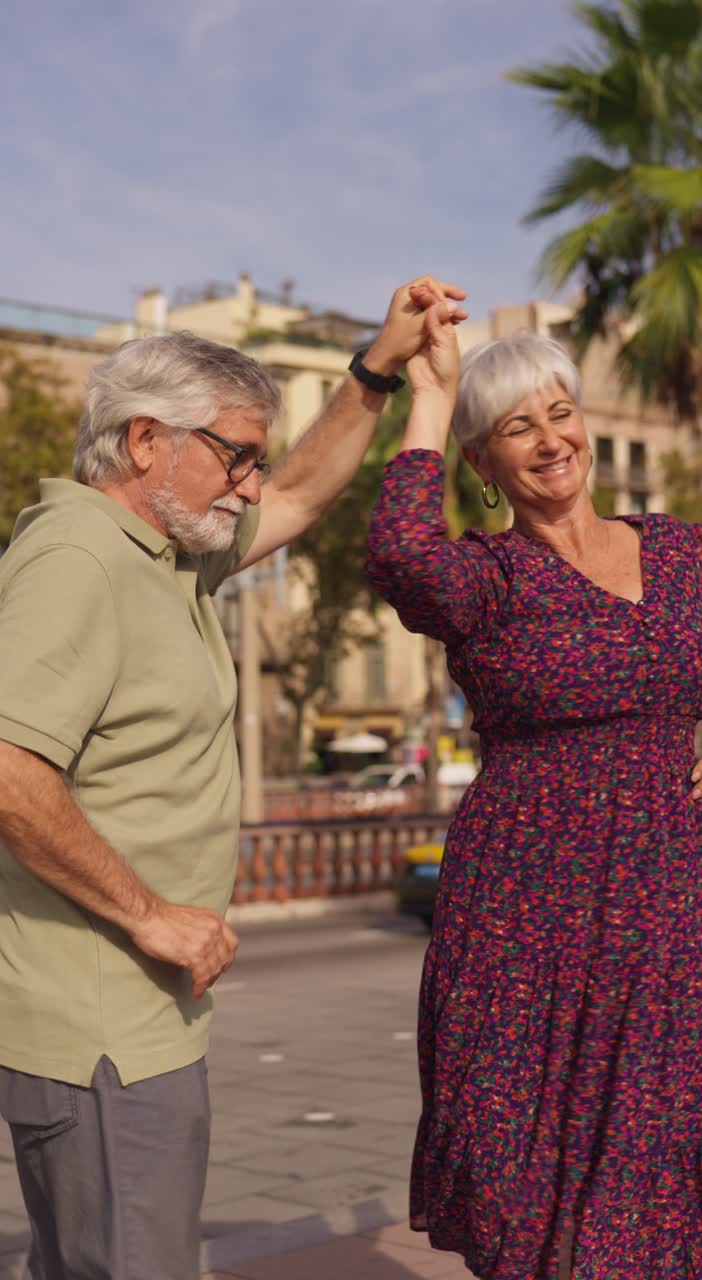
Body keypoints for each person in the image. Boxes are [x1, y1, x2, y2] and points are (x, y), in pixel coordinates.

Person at [0, 274, 467, 1280]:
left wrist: (375, 369)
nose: (252, 483)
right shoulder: (78, 557)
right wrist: (152, 916)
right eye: (235, 455)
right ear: (145, 441)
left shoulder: (167, 552)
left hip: (137, 1020)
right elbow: (6, 766)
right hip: (100, 1027)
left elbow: (301, 493)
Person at [366, 304, 702, 1279]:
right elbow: (400, 554)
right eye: (518, 427)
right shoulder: (485, 578)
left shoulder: (685, 553)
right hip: (521, 909)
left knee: (654, 1154)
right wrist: (430, 395)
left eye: (561, 413)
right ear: (483, 461)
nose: (551, 439)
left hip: (670, 900)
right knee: (515, 1161)